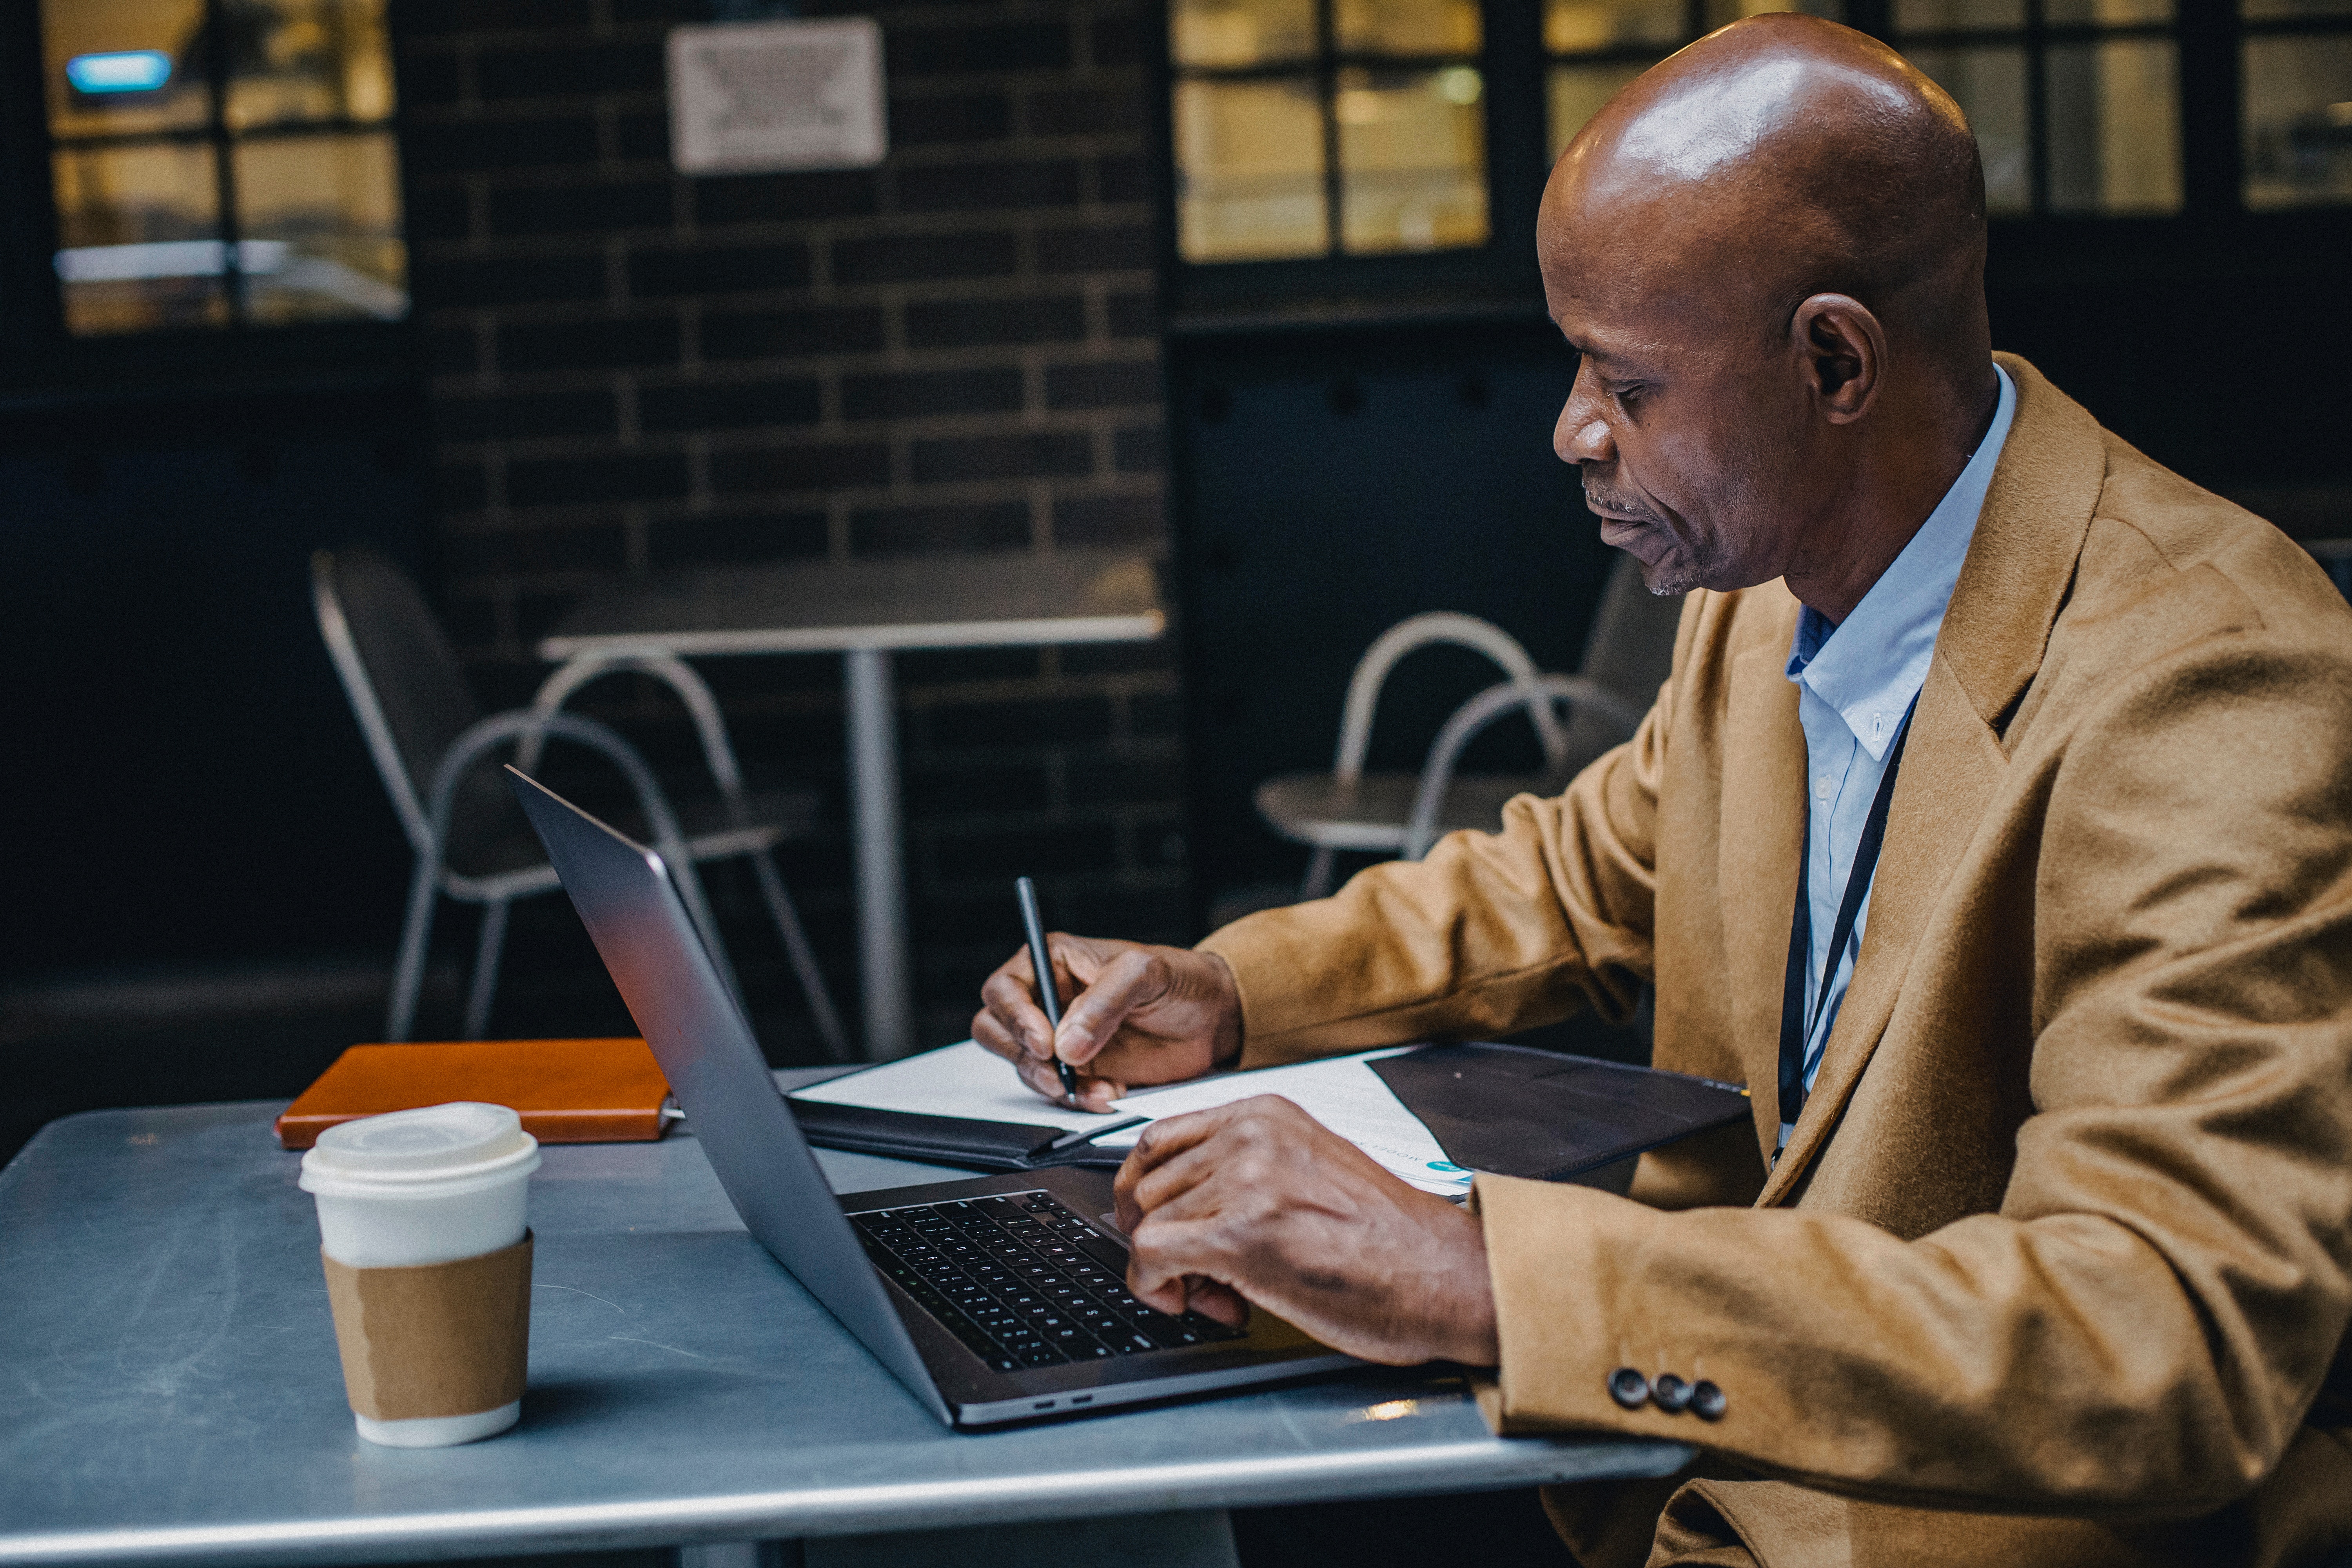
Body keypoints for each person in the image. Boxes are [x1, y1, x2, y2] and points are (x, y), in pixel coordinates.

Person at [974, 15, 2352, 1566]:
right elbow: (1574, 880)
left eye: (1628, 383)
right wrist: (1227, 991)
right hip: (1681, 1465)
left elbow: (2164, 1330)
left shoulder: (2207, 678)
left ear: (1835, 360)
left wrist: (1492, 1275)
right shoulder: (1771, 590)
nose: (1571, 431)